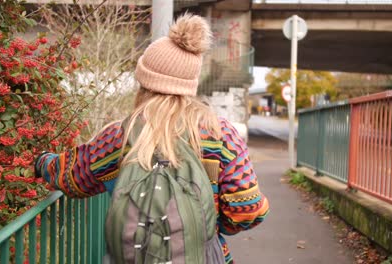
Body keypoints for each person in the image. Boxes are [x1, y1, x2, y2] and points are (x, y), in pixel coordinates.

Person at [35, 13, 269, 264]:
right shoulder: (220, 134)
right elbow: (248, 209)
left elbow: (71, 177)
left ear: (144, 82)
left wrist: (40, 162)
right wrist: (201, 227)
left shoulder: (120, 135)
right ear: (190, 84)